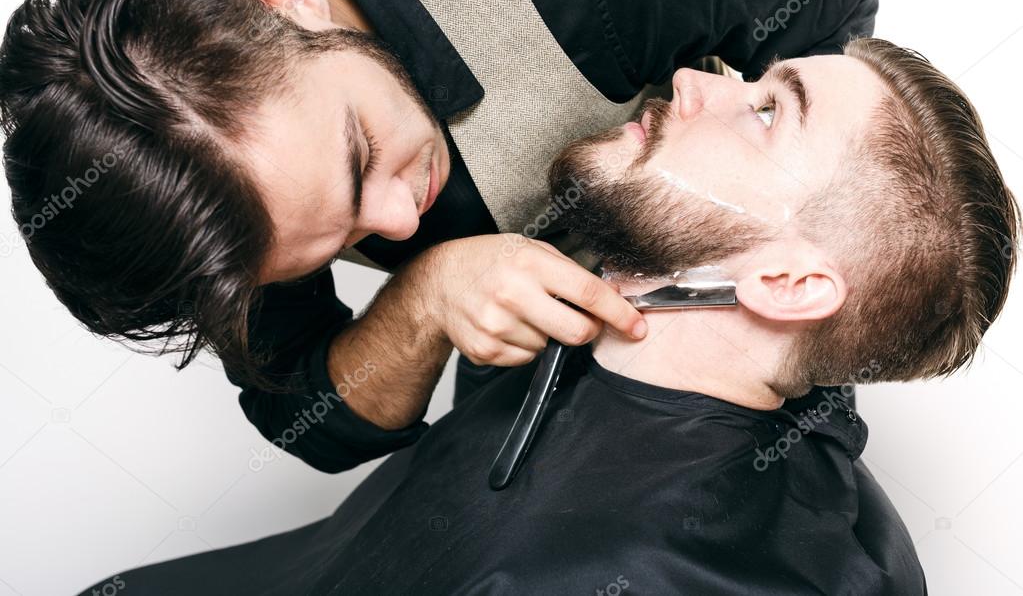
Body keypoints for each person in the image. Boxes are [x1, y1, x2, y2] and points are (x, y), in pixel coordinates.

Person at [75, 37, 1018, 595]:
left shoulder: (646, 570)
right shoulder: (573, 316)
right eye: (751, 76)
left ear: (788, 286)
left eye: (768, 112)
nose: (699, 78)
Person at [0, 0, 880, 473]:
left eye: (362, 157)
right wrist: (425, 300)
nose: (394, 222)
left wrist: (716, 236)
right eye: (335, 235)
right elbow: (302, 417)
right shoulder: (210, 180)